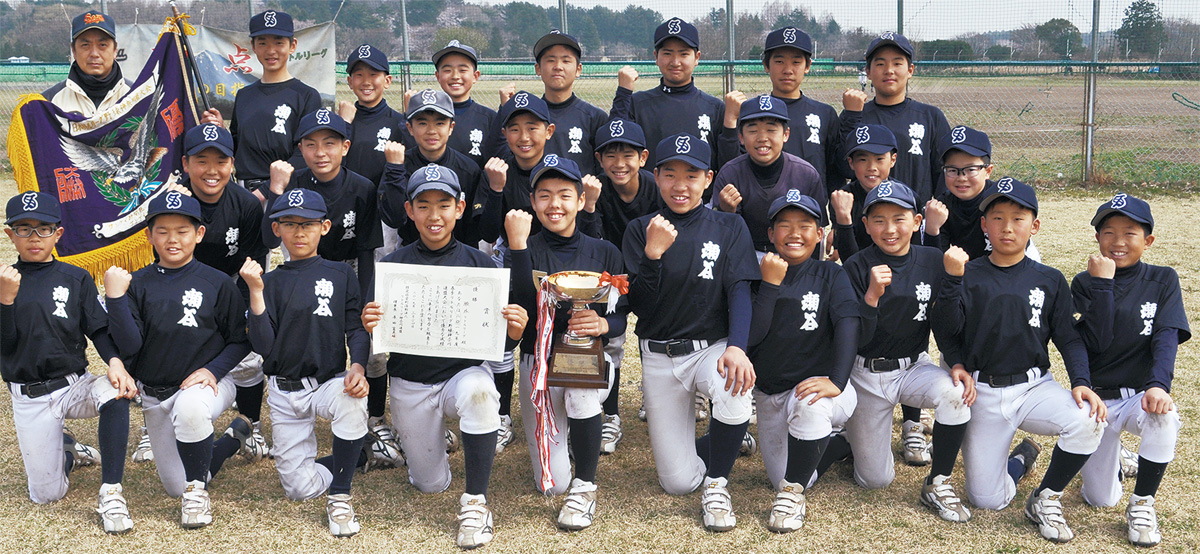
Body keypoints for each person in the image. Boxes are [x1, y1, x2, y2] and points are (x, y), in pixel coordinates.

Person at [931, 178, 1107, 543]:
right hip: (983, 389)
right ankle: (1020, 460)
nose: (1007, 227)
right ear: (984, 225)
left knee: (1087, 420)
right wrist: (956, 362)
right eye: (997, 218)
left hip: (1034, 386)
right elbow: (947, 329)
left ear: (1035, 226)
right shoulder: (969, 274)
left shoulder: (1049, 279)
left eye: (1018, 218)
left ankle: (1046, 497)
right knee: (987, 500)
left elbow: (1068, 337)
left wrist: (1081, 382)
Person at [362, 164, 528, 549]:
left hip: (461, 377)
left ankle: (476, 502)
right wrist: (371, 325)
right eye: (424, 205)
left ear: (460, 208)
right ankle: (439, 441)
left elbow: (497, 348)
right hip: (410, 383)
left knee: (481, 394)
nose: (434, 215)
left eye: (444, 204)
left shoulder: (483, 266)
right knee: (429, 484)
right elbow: (377, 338)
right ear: (409, 211)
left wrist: (514, 333)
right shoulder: (391, 266)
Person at [621, 133, 757, 531]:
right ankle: (718, 445)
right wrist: (652, 255)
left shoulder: (730, 226)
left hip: (708, 348)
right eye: (670, 174)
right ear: (656, 176)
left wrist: (737, 347)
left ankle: (718, 482)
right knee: (677, 482)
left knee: (735, 384)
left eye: (692, 174)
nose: (681, 185)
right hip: (659, 354)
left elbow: (740, 291)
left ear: (708, 178)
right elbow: (640, 306)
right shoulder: (640, 228)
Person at [103, 191, 254, 529]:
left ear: (199, 234)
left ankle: (197, 495)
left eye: (183, 230)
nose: (173, 239)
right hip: (155, 393)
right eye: (163, 231)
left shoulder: (216, 282)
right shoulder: (137, 282)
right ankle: (232, 439)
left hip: (208, 384)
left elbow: (241, 340)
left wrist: (212, 370)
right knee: (174, 485)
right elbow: (129, 346)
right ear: (148, 235)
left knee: (190, 413)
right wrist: (115, 299)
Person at [837, 181, 973, 522]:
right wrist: (871, 297)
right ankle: (847, 438)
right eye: (878, 220)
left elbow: (944, 323)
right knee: (874, 480)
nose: (889, 229)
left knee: (955, 393)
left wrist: (954, 360)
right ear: (865, 225)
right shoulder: (856, 265)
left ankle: (938, 481)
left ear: (916, 222)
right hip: (866, 372)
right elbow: (854, 335)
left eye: (899, 218)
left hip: (914, 366)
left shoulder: (932, 259)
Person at [1, 191, 135, 533]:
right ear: (9, 234)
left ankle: (111, 492)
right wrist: (5, 302)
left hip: (74, 384)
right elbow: (5, 345)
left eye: (43, 228)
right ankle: (68, 451)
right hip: (29, 396)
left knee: (115, 393)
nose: (34, 237)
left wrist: (115, 362)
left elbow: (99, 330)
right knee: (47, 495)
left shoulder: (75, 278)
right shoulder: (4, 282)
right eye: (24, 228)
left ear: (58, 233)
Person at [240, 190, 371, 537]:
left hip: (327, 382)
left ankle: (341, 495)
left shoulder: (341, 274)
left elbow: (355, 329)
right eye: (290, 224)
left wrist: (357, 366)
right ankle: (355, 456)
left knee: (352, 399)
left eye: (309, 224)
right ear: (277, 229)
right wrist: (255, 292)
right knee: (299, 489)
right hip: (284, 391)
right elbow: (263, 346)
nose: (299, 232)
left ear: (325, 227)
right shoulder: (268, 281)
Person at [505, 156, 626, 529]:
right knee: (552, 484)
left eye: (564, 195)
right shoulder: (523, 245)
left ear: (579, 199)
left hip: (586, 359)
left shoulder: (603, 250)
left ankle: (586, 484)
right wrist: (518, 247)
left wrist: (604, 324)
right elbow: (522, 307)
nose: (554, 204)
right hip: (537, 361)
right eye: (544, 195)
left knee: (581, 388)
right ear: (532, 201)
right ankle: (576, 438)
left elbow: (623, 312)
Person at [1072, 194, 1189, 547]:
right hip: (1100, 401)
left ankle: (1141, 503)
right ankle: (1118, 459)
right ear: (1097, 238)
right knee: (1099, 498)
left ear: (1148, 241)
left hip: (1139, 395)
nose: (1118, 242)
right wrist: (1103, 284)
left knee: (1163, 417)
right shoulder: (1082, 282)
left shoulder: (1163, 279)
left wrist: (1157, 386)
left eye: (1130, 233)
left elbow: (1166, 339)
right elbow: (1098, 341)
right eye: (1108, 232)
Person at [748, 191, 863, 532]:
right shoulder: (757, 273)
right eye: (784, 225)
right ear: (770, 234)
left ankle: (792, 496)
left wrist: (838, 380)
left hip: (822, 388)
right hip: (770, 394)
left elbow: (848, 323)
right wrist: (769, 285)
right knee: (781, 474)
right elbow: (751, 335)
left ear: (819, 234)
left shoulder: (831, 275)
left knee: (808, 407)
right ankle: (840, 444)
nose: (794, 233)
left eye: (805, 225)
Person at [175, 123, 273, 464]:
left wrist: (243, 316)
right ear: (186, 164)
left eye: (221, 161)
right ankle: (153, 427)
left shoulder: (245, 204)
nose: (212, 170)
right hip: (182, 291)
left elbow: (252, 266)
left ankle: (251, 425)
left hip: (231, 289)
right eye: (202, 160)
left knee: (249, 359)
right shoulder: (173, 202)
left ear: (233, 164)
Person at [588, 117, 662, 443]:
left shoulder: (656, 187)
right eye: (610, 156)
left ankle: (655, 396)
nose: (619, 164)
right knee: (611, 343)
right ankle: (612, 415)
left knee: (655, 335)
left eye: (627, 155)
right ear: (599, 159)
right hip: (612, 275)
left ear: (643, 158)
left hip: (649, 271)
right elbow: (590, 244)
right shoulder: (596, 191)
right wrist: (588, 206)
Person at [201, 10, 321, 196]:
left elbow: (305, 154)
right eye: (262, 43)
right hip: (243, 190)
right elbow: (238, 145)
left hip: (286, 193)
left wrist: (265, 191)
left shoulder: (305, 95)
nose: (270, 50)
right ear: (253, 46)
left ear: (292, 45)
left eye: (279, 42)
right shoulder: (244, 95)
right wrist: (219, 130)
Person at [719, 27, 843, 196]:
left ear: (807, 66)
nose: (787, 70)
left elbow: (834, 170)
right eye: (779, 61)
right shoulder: (751, 113)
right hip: (757, 209)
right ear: (765, 65)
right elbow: (732, 165)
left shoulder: (824, 113)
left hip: (808, 213)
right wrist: (731, 120)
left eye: (796, 62)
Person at [838, 32, 950, 210]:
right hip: (867, 218)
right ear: (868, 72)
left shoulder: (930, 117)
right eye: (880, 63)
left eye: (897, 63)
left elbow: (943, 175)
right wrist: (851, 116)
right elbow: (844, 168)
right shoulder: (857, 115)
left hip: (913, 218)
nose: (889, 70)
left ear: (910, 70)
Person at [611, 18, 726, 174]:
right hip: (649, 195)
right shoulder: (637, 104)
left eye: (684, 54)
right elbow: (613, 144)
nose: (675, 62)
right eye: (667, 53)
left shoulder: (715, 107)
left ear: (697, 57)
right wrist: (623, 93)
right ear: (656, 57)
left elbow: (726, 162)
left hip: (700, 197)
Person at [712, 95, 824, 252]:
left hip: (793, 254)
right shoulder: (730, 174)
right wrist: (725, 211)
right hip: (744, 254)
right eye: (753, 130)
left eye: (771, 130)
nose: (762, 138)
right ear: (741, 137)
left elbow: (816, 230)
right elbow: (718, 235)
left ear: (786, 134)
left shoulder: (806, 174)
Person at [923, 125, 1041, 262]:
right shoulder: (942, 207)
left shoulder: (1000, 198)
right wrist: (932, 229)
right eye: (952, 170)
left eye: (971, 169)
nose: (961, 178)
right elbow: (933, 264)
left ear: (988, 171)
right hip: (967, 272)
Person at [498, 31, 608, 175]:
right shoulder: (524, 115)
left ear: (578, 69)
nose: (558, 66)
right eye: (550, 60)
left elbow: (605, 168)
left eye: (566, 60)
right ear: (538, 68)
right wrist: (503, 111)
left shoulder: (595, 117)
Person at [42, 10, 131, 117]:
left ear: (115, 50)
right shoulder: (48, 102)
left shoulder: (137, 97)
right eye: (85, 45)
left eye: (102, 45)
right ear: (74, 50)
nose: (94, 54)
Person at [432, 40, 499, 170]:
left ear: (475, 76)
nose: (455, 76)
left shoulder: (489, 118)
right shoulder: (426, 115)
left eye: (462, 70)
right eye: (447, 70)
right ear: (438, 76)